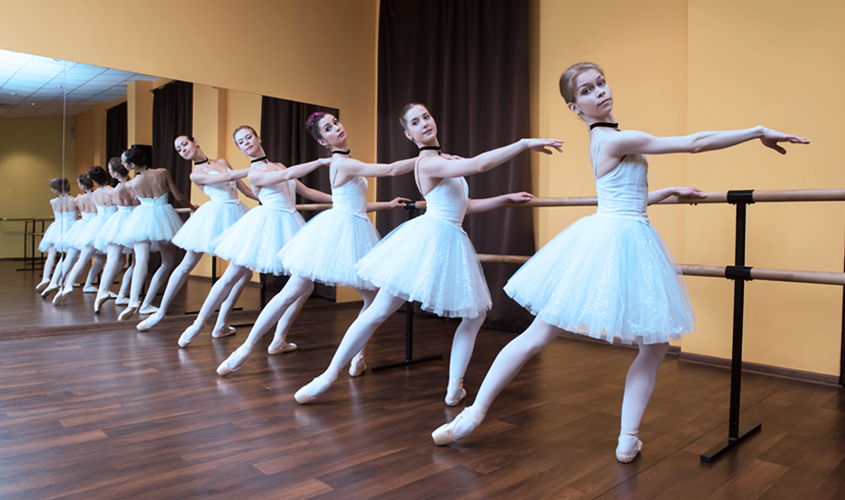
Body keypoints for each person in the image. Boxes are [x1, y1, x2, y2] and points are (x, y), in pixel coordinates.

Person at [430, 62, 810, 463]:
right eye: (588, 91)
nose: (600, 92)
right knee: (542, 336)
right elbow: (695, 142)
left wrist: (667, 190)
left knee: (652, 344)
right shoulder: (612, 139)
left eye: (601, 83)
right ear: (576, 109)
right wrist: (756, 131)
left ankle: (627, 439)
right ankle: (473, 416)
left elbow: (624, 196)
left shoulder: (611, 140)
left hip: (622, 235)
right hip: (612, 243)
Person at [294, 103, 562, 405]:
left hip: (449, 237)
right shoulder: (428, 162)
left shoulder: (442, 161)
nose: (424, 123)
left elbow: (465, 206)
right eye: (415, 122)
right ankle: (328, 374)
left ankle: (454, 386)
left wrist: (505, 198)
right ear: (409, 134)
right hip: (429, 239)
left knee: (474, 315)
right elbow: (479, 166)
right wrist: (524, 143)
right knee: (380, 310)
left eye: (426, 117)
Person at [216, 112, 414, 376]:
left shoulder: (345, 162)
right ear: (323, 141)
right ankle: (245, 347)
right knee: (293, 290)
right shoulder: (342, 163)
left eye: (336, 123)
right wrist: (427, 156)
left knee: (370, 297)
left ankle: (358, 356)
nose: (336, 128)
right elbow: (390, 170)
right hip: (337, 232)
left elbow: (352, 203)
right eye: (328, 128)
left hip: (354, 227)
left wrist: (386, 205)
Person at [176, 125, 332, 347]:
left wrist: (338, 200)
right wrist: (319, 162)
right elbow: (287, 174)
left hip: (290, 222)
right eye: (241, 142)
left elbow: (306, 192)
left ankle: (279, 339)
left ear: (258, 138)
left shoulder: (277, 165)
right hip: (265, 224)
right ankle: (198, 323)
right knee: (231, 275)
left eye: (249, 137)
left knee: (306, 287)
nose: (246, 142)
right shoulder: (255, 171)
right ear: (241, 151)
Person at [136, 135, 257, 333]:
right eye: (178, 149)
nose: (183, 149)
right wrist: (259, 168)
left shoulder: (223, 161)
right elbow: (227, 178)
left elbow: (244, 190)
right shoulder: (196, 174)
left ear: (195, 142)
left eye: (184, 144)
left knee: (245, 272)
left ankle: (221, 324)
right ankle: (160, 312)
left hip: (236, 213)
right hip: (214, 216)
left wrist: (271, 199)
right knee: (187, 264)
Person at [113, 147, 195, 320]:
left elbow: (135, 201)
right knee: (167, 262)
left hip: (141, 217)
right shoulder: (162, 172)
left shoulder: (131, 184)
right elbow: (179, 196)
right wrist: (193, 207)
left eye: (124, 162)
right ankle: (147, 303)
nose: (122, 164)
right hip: (164, 216)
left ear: (132, 164)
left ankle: (133, 301)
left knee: (141, 260)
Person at [54, 166, 117, 306]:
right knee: (114, 259)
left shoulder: (95, 194)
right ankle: (103, 288)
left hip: (96, 225)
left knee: (84, 257)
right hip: (110, 224)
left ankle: (68, 284)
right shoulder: (112, 191)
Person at [91, 158, 139, 313]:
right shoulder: (135, 185)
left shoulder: (114, 190)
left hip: (119, 221)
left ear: (114, 173)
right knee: (136, 262)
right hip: (135, 220)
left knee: (113, 258)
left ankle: (102, 291)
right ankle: (123, 294)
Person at [50, 174, 97, 304]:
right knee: (87, 257)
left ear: (81, 185)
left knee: (69, 256)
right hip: (94, 226)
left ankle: (56, 281)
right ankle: (85, 283)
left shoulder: (78, 199)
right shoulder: (94, 196)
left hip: (80, 226)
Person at [36, 178, 78, 297]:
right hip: (71, 227)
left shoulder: (53, 201)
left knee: (51, 254)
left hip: (56, 227)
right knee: (70, 256)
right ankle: (65, 280)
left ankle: (45, 278)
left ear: (55, 190)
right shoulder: (74, 200)